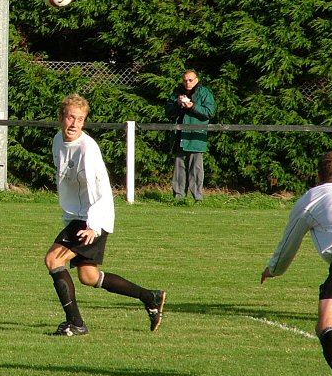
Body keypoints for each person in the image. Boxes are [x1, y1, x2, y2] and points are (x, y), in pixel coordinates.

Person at [44, 94, 166, 336]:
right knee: (89, 277)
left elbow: (97, 190)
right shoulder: (58, 140)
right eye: (70, 117)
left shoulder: (87, 149)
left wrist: (94, 226)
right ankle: (150, 297)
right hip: (77, 216)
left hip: (92, 217)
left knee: (53, 260)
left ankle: (76, 323)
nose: (74, 124)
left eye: (80, 119)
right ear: (61, 118)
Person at [261, 150, 332, 376]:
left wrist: (274, 269)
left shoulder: (312, 197)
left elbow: (290, 241)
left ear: (318, 176)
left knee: (328, 325)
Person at [165, 68, 216, 201]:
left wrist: (192, 106)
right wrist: (177, 104)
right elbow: (168, 113)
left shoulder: (205, 93)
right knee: (179, 169)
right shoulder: (177, 93)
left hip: (195, 136)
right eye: (185, 80)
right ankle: (179, 197)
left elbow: (209, 112)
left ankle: (197, 198)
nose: (187, 82)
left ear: (196, 80)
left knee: (196, 169)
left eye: (190, 80)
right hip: (179, 136)